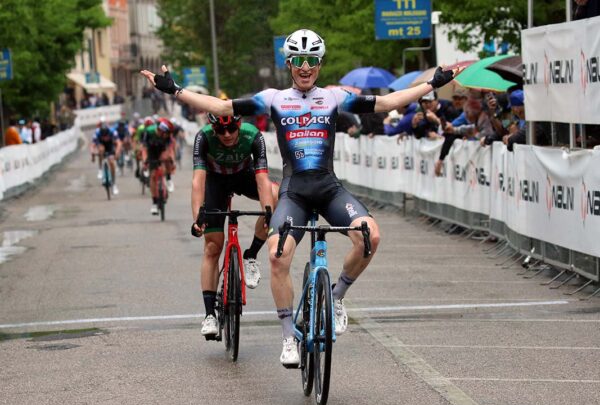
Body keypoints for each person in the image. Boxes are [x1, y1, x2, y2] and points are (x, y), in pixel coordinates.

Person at [141, 28, 460, 367]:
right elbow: (220, 106)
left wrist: (431, 84)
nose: (305, 67)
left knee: (371, 236)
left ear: (319, 64)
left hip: (328, 188)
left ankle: (336, 297)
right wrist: (175, 90)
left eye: (311, 60)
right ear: (289, 64)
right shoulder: (274, 98)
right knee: (277, 256)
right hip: (295, 192)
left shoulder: (335, 97)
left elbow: (387, 102)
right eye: (298, 61)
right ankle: (288, 337)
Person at [190, 114, 277, 336]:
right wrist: (198, 217)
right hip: (215, 182)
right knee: (212, 247)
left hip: (243, 175)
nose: (227, 135)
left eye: (231, 129)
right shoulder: (203, 137)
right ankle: (209, 315)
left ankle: (251, 254)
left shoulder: (252, 136)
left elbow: (262, 179)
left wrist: (268, 211)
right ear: (213, 129)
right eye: (221, 131)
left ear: (239, 125)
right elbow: (198, 180)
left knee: (276, 197)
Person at [141, 117, 176, 214]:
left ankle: (168, 179)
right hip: (151, 151)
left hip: (162, 149)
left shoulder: (167, 136)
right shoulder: (148, 132)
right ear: (162, 131)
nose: (168, 136)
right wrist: (145, 161)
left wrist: (171, 160)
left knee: (167, 159)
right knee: (153, 176)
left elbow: (170, 149)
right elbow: (144, 148)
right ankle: (154, 203)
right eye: (167, 134)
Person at [92, 118, 122, 195]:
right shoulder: (97, 133)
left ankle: (114, 184)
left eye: (106, 136)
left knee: (111, 162)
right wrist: (93, 154)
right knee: (101, 149)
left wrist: (117, 153)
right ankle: (100, 169)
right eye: (103, 136)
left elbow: (119, 143)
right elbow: (93, 145)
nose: (105, 138)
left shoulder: (113, 132)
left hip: (110, 146)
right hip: (101, 145)